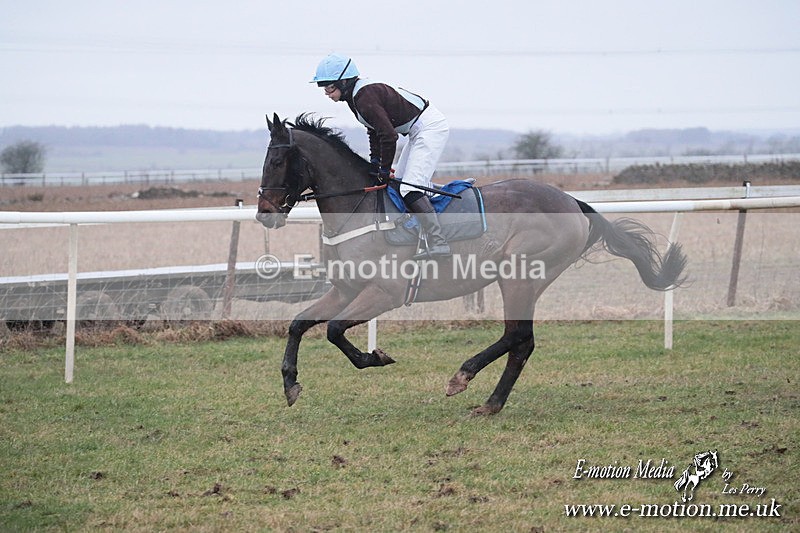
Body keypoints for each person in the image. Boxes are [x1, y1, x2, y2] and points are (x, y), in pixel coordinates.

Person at [311, 53, 451, 258]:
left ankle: (439, 242)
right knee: (401, 184)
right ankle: (420, 230)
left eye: (329, 87)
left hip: (429, 127)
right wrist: (376, 163)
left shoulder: (364, 97)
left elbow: (388, 136)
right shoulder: (355, 98)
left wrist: (384, 170)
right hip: (416, 129)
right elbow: (374, 130)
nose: (326, 93)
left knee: (410, 188)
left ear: (344, 81)